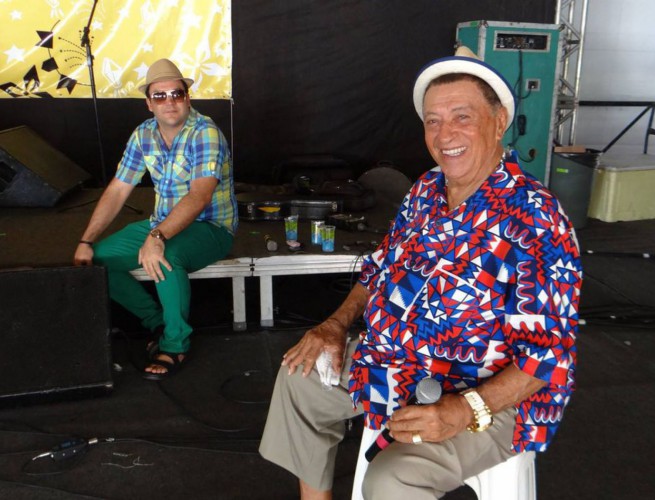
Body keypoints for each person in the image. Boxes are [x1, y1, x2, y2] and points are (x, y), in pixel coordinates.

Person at [259, 47, 583, 499]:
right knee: (301, 376)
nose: (444, 133)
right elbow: (379, 271)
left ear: (499, 121)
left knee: (393, 479)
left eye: (461, 116)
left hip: (491, 395)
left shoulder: (536, 218)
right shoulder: (426, 191)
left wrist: (463, 409)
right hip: (396, 366)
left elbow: (547, 357)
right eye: (433, 120)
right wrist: (334, 326)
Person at [73, 58, 237, 381]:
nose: (169, 101)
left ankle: (176, 343)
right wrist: (85, 240)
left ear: (188, 97)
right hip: (161, 223)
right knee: (97, 260)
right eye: (159, 96)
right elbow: (118, 190)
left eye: (176, 93)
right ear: (149, 103)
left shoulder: (205, 133)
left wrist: (157, 238)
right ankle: (157, 322)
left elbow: (199, 196)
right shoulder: (143, 135)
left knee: (168, 257)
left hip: (211, 228)